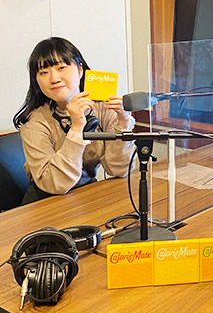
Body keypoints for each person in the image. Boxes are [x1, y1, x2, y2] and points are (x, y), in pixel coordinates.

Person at [13, 37, 135, 204]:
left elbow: (119, 170)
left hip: (86, 193)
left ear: (80, 69)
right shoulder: (34, 122)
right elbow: (55, 184)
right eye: (44, 72)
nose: (54, 78)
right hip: (45, 200)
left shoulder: (103, 108)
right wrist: (76, 128)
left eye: (61, 68)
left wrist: (123, 122)